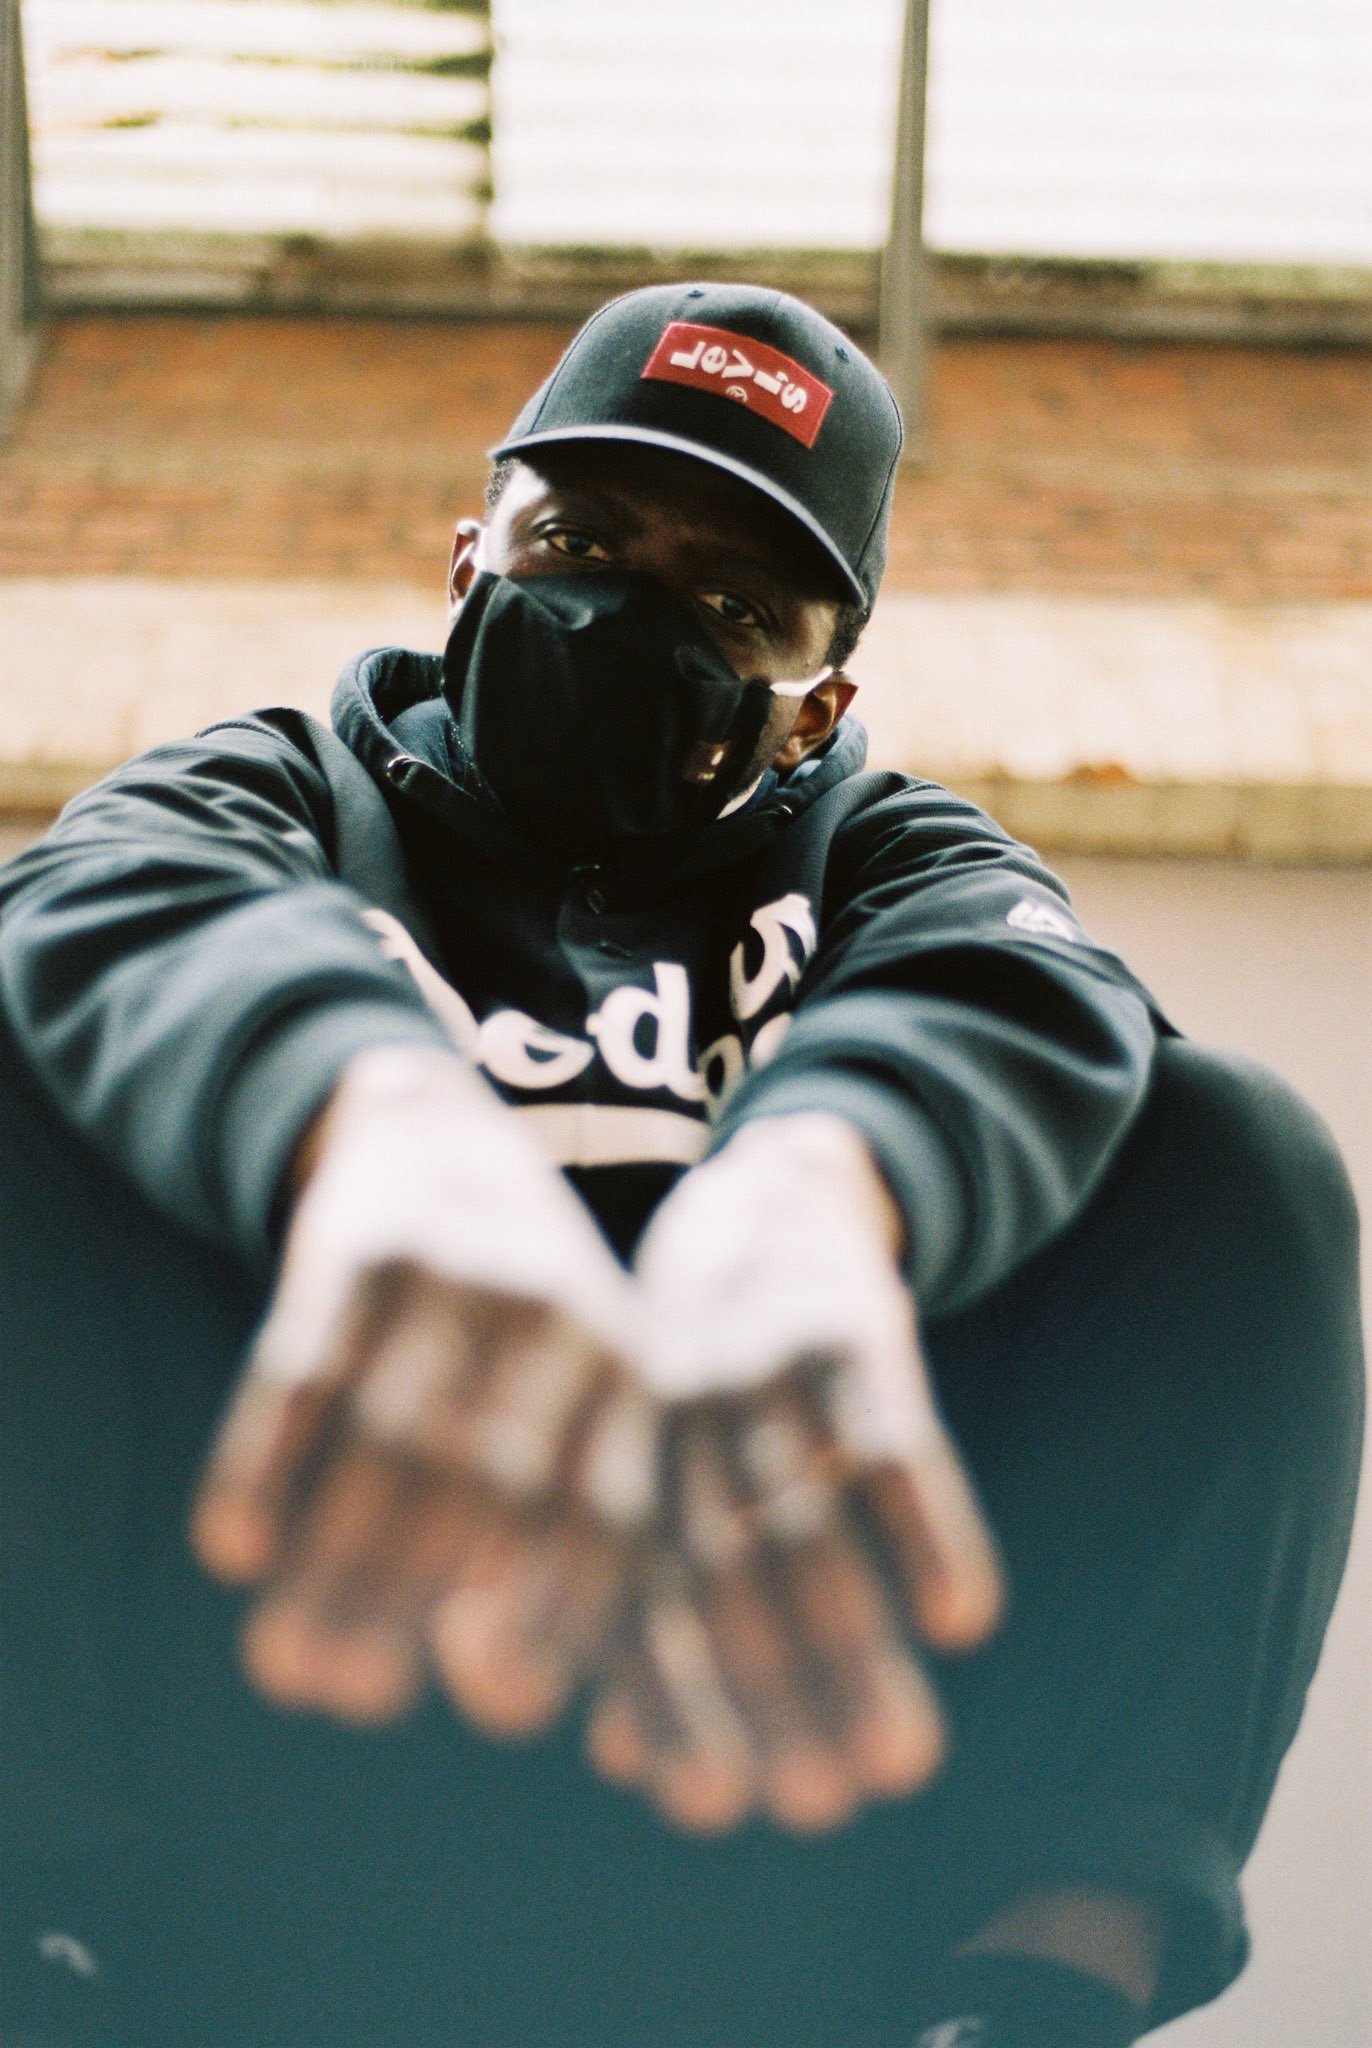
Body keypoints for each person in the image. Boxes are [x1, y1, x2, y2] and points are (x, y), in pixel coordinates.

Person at [0, 283, 1361, 2048]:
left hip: (768, 1737)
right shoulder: (277, 788)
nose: (621, 617)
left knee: (1234, 1151)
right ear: (467, 562)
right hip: (271, 1689)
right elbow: (106, 896)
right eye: (576, 541)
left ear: (816, 702)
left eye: (730, 604)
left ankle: (1029, 1999)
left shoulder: (889, 854)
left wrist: (819, 1189)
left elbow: (1024, 989)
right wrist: (376, 1116)